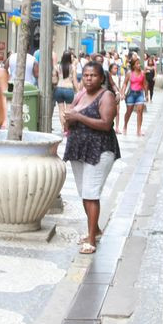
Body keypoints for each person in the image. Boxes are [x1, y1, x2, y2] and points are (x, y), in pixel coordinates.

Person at [62, 62, 120, 254]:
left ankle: (92, 241)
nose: (88, 79)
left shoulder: (106, 96)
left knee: (91, 193)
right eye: (85, 75)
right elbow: (70, 115)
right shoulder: (80, 94)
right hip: (79, 149)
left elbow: (105, 123)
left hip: (100, 149)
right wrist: (67, 119)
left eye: (93, 75)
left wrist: (78, 118)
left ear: (101, 78)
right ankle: (94, 231)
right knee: (84, 193)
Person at [53, 52, 80, 130]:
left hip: (59, 88)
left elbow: (54, 79)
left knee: (61, 110)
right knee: (68, 111)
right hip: (69, 89)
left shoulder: (57, 67)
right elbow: (75, 80)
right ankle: (67, 128)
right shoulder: (73, 67)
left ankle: (62, 127)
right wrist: (78, 91)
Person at [121, 59, 146, 137]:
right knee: (129, 111)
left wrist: (147, 95)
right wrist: (122, 93)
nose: (139, 65)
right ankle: (125, 126)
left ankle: (139, 130)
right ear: (133, 65)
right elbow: (125, 83)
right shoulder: (129, 73)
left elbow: (144, 84)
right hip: (131, 94)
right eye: (137, 64)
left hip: (140, 94)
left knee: (140, 111)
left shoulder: (142, 73)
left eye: (139, 63)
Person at [108, 62, 122, 134]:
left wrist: (120, 93)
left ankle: (117, 127)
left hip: (116, 95)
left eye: (117, 68)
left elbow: (119, 86)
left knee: (117, 112)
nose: (116, 70)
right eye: (114, 68)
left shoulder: (118, 77)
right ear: (110, 69)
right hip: (110, 95)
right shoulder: (108, 76)